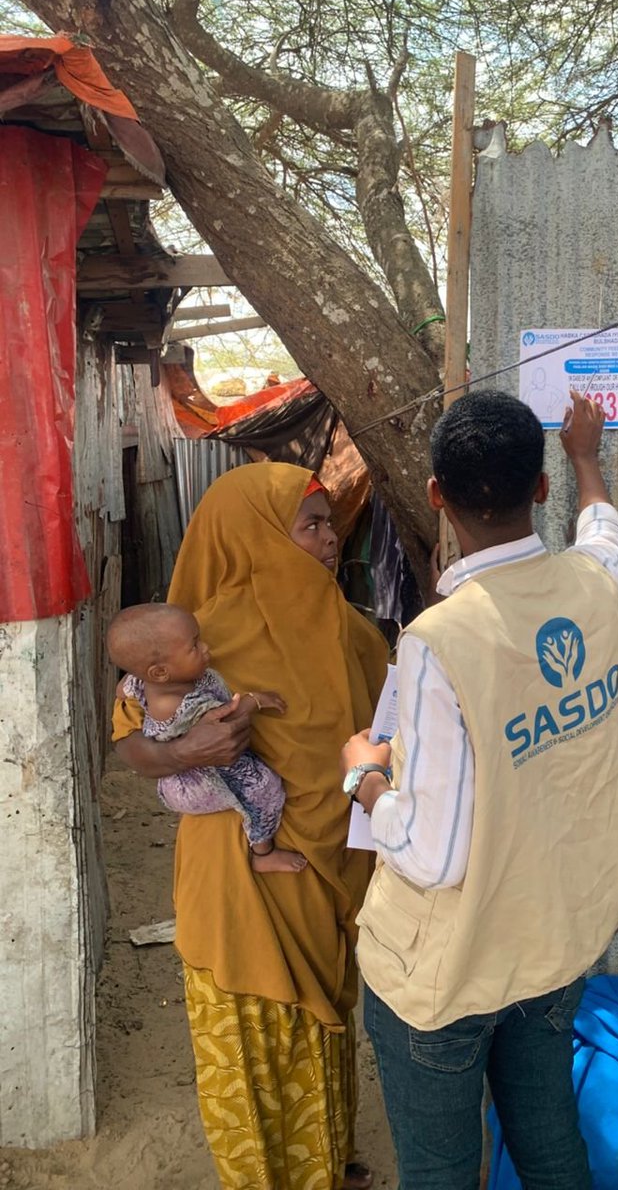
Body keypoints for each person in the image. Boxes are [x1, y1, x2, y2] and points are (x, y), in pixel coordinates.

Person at [341, 389, 618, 1190]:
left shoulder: (440, 643)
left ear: (436, 495)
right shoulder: (594, 589)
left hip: (449, 971)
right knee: (549, 1147)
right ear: (539, 489)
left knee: (441, 1172)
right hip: (552, 946)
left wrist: (364, 776)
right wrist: (586, 456)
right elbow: (606, 535)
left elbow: (431, 853)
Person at [112, 464, 388, 1190]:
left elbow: (383, 734)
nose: (331, 541)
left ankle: (327, 1164)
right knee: (251, 1028)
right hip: (235, 873)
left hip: (324, 869)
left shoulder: (351, 629)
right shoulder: (200, 638)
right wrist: (182, 749)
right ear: (258, 532)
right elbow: (129, 741)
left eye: (331, 524)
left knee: (320, 1018)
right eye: (313, 525)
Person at [106, 601, 306, 874]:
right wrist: (254, 700)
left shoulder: (147, 679)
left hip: (190, 769)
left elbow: (127, 685)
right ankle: (263, 851)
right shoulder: (178, 703)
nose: (206, 648)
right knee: (262, 790)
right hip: (201, 778)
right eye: (195, 646)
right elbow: (225, 722)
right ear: (160, 672)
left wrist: (122, 690)